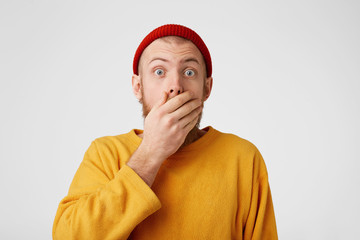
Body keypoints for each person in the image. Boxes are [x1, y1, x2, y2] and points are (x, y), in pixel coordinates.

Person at [53, 24, 278, 239]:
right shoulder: (105, 153)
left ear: (207, 88)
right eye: (159, 71)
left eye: (189, 72)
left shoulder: (243, 157)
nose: (175, 85)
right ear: (137, 87)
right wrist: (149, 154)